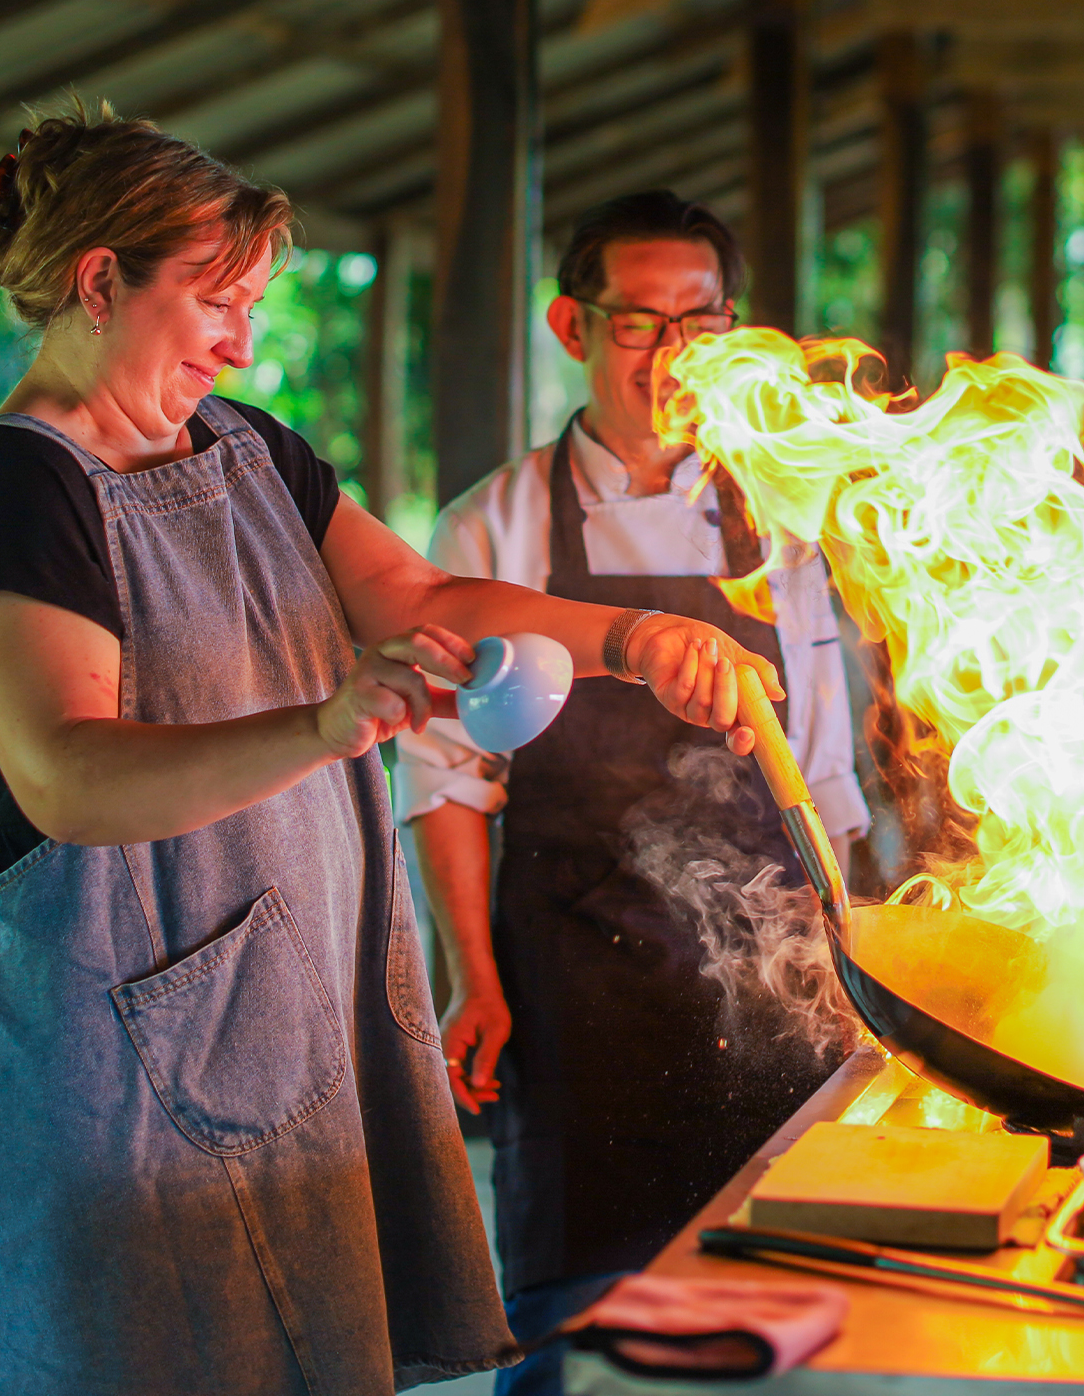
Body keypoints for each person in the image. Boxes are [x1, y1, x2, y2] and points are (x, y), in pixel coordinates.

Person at [0, 113, 781, 1396]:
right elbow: (68, 775)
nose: (243, 341)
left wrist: (634, 636)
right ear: (99, 281)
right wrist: (319, 727)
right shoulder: (21, 487)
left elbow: (421, 600)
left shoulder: (253, 448)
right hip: (93, 1059)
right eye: (216, 303)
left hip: (272, 1016)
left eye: (252, 304)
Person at [397, 190, 870, 1396]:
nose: (671, 355)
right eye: (637, 325)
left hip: (774, 980)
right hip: (574, 981)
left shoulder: (779, 529)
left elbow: (822, 776)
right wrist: (472, 974)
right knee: (573, 1320)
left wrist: (863, 963)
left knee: (772, 1304)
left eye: (698, 321)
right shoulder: (493, 524)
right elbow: (449, 777)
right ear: (572, 324)